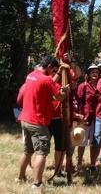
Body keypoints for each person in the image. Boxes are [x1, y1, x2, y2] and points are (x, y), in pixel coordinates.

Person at [16, 55, 68, 189]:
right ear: (50, 67)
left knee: (27, 151)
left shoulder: (31, 75)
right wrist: (65, 92)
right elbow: (59, 97)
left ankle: (20, 177)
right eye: (54, 71)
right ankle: (37, 183)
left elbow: (43, 93)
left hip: (25, 119)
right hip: (37, 122)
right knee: (41, 152)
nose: (54, 73)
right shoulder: (47, 80)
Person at [76, 64, 99, 169]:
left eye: (96, 72)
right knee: (82, 142)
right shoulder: (83, 86)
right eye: (93, 72)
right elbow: (79, 101)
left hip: (96, 118)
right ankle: (79, 163)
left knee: (94, 142)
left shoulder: (100, 85)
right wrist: (81, 116)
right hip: (85, 118)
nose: (95, 74)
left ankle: (93, 164)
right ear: (89, 74)